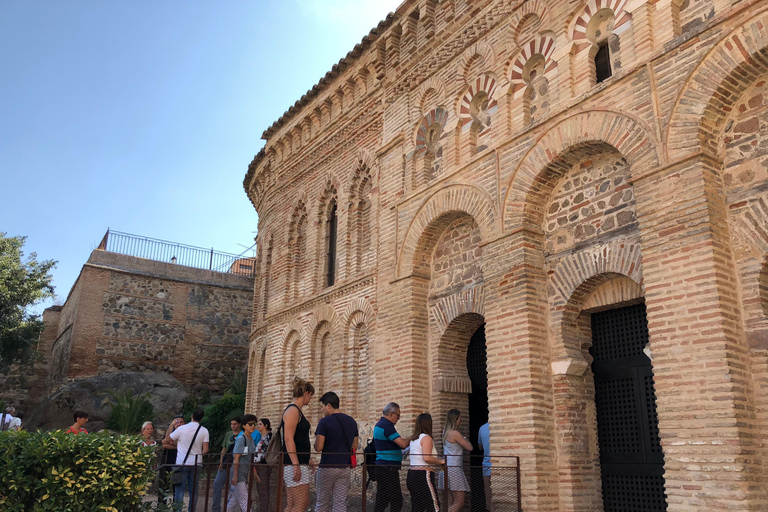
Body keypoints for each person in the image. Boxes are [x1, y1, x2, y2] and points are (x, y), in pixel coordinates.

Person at [314, 391, 359, 512]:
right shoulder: (351, 421)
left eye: (322, 407)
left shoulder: (325, 422)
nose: (322, 410)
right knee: (340, 503)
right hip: (345, 467)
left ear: (329, 405)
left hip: (327, 466)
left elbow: (318, 447)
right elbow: (355, 445)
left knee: (322, 503)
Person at [282, 377, 315, 512]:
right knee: (302, 503)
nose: (310, 399)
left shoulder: (296, 411)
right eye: (311, 396)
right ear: (306, 393)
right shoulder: (293, 410)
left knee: (292, 505)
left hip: (298, 461)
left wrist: (308, 459)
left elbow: (300, 439)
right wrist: (296, 464)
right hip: (293, 463)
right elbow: (289, 439)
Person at [169, 408, 210, 512]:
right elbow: (205, 450)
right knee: (193, 490)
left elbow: (171, 438)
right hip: (197, 463)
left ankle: (178, 510)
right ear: (202, 418)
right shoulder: (204, 430)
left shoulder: (182, 428)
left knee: (180, 490)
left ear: (192, 416)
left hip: (182, 463)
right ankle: (191, 509)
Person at [373, 402, 409, 512]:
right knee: (397, 501)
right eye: (398, 415)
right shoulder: (387, 426)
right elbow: (402, 444)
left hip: (382, 467)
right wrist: (413, 437)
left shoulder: (380, 424)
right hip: (388, 468)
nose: (398, 418)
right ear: (391, 414)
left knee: (382, 500)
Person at [407, 413, 445, 512]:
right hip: (423, 475)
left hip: (412, 475)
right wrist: (441, 461)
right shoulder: (426, 438)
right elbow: (427, 458)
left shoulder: (413, 440)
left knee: (417, 507)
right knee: (434, 507)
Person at [438, 410, 472, 512]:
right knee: (459, 502)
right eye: (460, 418)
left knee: (449, 501)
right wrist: (464, 438)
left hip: (445, 467)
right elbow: (470, 447)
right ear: (455, 419)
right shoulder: (454, 433)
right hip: (454, 468)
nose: (461, 420)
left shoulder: (445, 432)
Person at [227, 414, 258, 512]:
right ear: (244, 426)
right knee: (245, 500)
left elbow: (250, 458)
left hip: (244, 473)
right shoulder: (241, 439)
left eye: (254, 424)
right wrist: (235, 476)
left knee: (234, 501)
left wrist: (254, 472)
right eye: (250, 424)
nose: (252, 426)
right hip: (238, 473)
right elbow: (236, 458)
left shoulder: (251, 440)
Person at [212, 417, 242, 512]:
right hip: (225, 462)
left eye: (235, 424)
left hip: (235, 464)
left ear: (239, 424)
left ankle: (230, 508)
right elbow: (224, 449)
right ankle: (216, 508)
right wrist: (221, 462)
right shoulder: (228, 434)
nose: (233, 426)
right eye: (231, 424)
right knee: (217, 484)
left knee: (232, 488)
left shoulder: (242, 435)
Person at [160, 415, 184, 504]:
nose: (179, 424)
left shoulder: (184, 432)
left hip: (178, 461)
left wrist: (171, 443)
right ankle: (162, 505)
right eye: (177, 422)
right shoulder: (172, 431)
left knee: (176, 485)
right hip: (167, 460)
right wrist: (171, 426)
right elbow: (164, 443)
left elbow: (182, 444)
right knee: (164, 483)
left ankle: (176, 506)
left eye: (181, 422)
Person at [254, 417, 273, 512]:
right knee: (260, 490)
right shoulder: (263, 436)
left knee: (263, 490)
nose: (258, 426)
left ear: (266, 426)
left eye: (260, 424)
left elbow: (266, 452)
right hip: (258, 465)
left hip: (263, 465)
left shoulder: (268, 437)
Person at [478, 422, 494, 512]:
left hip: (486, 464)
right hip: (499, 465)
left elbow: (480, 447)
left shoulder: (482, 428)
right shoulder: (499, 426)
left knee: (488, 494)